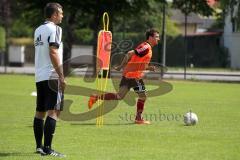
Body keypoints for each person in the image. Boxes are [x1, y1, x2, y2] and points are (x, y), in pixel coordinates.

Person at [88, 28, 160, 124]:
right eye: (156, 37)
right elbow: (130, 53)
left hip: (128, 75)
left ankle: (96, 97)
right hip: (134, 76)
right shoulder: (146, 47)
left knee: (119, 96)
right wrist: (121, 66)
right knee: (143, 96)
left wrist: (149, 68)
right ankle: (138, 118)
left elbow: (140, 64)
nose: (158, 39)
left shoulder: (147, 48)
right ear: (150, 37)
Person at [33, 2, 66, 157]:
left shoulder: (38, 30)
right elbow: (53, 52)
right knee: (54, 112)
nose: (62, 16)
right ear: (54, 15)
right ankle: (48, 148)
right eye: (60, 13)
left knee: (40, 112)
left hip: (39, 76)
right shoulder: (56, 29)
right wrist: (61, 75)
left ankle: (39, 147)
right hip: (52, 76)